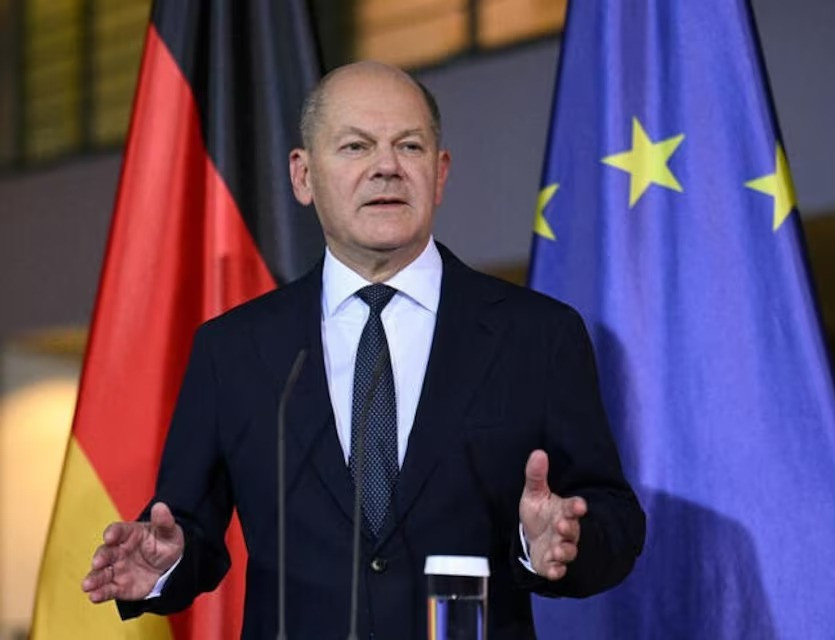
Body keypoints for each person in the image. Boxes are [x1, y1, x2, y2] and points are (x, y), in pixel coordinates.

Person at [81, 61, 645, 639]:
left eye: (410, 146)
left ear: (441, 172)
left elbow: (614, 521)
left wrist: (554, 541)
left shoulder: (537, 335)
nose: (386, 168)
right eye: (356, 146)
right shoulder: (234, 349)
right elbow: (190, 529)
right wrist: (165, 563)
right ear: (302, 176)